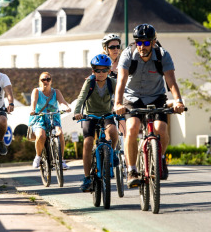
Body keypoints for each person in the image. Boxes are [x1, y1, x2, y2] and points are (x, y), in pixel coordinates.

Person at [114, 24, 185, 188]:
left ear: (153, 42)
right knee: (132, 128)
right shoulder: (128, 54)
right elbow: (121, 81)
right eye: (139, 42)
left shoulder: (162, 55)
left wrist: (178, 101)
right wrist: (118, 103)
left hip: (156, 96)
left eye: (146, 43)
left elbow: (171, 81)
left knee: (161, 129)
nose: (142, 46)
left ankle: (160, 158)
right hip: (132, 97)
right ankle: (131, 170)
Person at [74, 54, 118, 192]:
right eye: (97, 70)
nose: (101, 73)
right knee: (87, 142)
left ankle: (112, 152)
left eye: (104, 70)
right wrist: (77, 112)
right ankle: (87, 177)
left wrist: (120, 107)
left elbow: (119, 96)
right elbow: (81, 98)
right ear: (93, 71)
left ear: (109, 71)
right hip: (90, 115)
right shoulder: (90, 82)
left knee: (113, 132)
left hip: (106, 114)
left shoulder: (112, 82)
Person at [29, 72, 71, 169]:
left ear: (51, 81)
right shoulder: (36, 91)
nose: (46, 81)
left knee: (60, 133)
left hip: (53, 117)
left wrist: (67, 107)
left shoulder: (56, 92)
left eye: (48, 79)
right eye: (43, 79)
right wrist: (32, 110)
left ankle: (61, 159)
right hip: (39, 118)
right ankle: (38, 156)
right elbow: (33, 103)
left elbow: (62, 102)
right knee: (41, 135)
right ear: (39, 81)